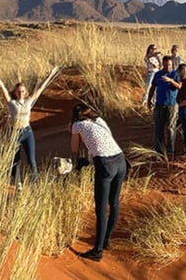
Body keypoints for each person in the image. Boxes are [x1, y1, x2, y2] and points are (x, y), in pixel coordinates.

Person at [70, 103, 127, 262]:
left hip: (105, 164)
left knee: (101, 209)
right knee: (114, 203)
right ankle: (106, 240)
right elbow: (103, 142)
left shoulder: (77, 125)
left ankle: (98, 250)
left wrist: (76, 163)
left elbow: (75, 148)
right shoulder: (100, 120)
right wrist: (89, 160)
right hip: (120, 160)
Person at [0, 64, 60, 188]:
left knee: (31, 160)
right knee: (16, 161)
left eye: (22, 91)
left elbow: (40, 88)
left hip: (27, 132)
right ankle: (18, 183)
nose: (20, 93)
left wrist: (51, 75)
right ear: (15, 93)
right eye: (18, 91)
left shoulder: (29, 101)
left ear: (25, 92)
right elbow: (3, 89)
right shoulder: (11, 103)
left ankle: (34, 183)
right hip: (14, 133)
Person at [147, 56, 182, 155]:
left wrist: (171, 81)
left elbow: (179, 86)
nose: (168, 67)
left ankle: (170, 150)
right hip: (159, 104)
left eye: (169, 65)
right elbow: (153, 87)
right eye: (166, 65)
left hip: (172, 104)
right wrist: (149, 100)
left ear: (172, 65)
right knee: (159, 127)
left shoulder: (175, 74)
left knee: (171, 127)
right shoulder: (158, 74)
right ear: (163, 64)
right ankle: (159, 149)